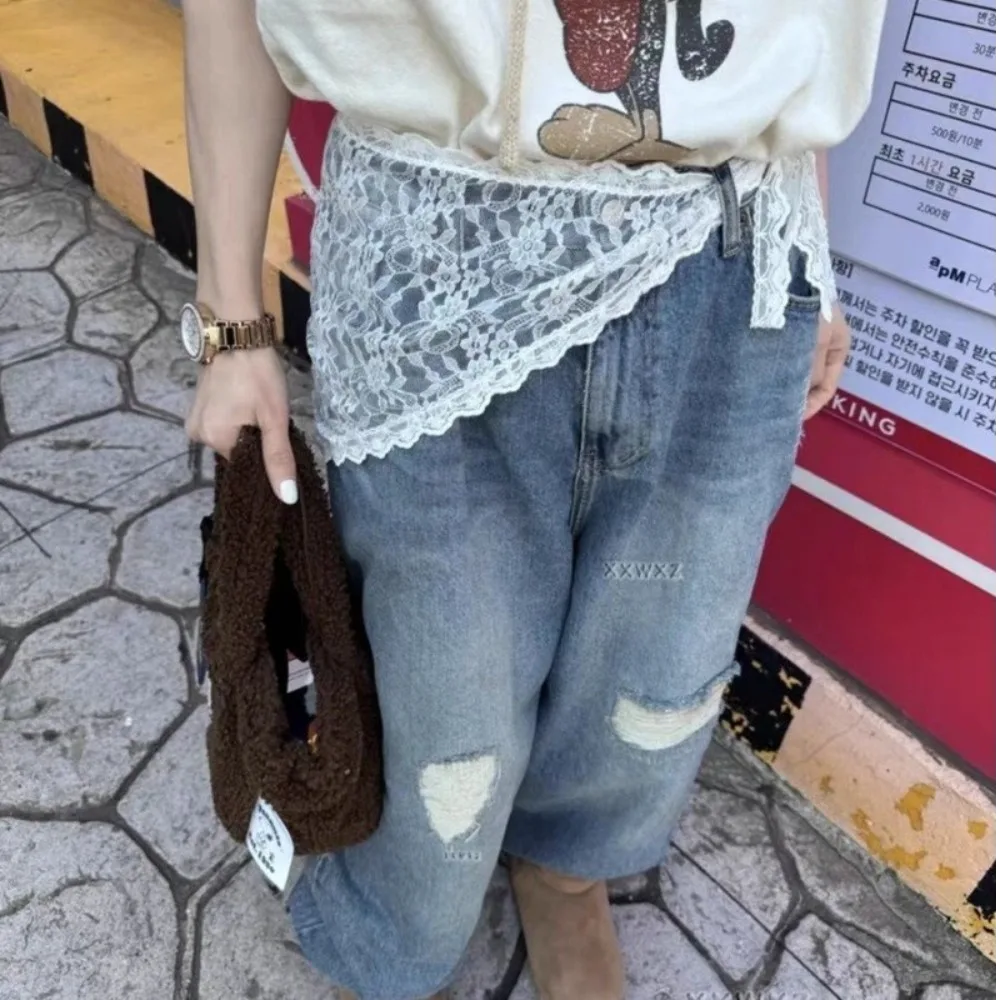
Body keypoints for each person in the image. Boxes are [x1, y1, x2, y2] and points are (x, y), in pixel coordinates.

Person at [181, 2, 887, 998]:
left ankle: (563, 867)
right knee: (444, 700)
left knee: (656, 667)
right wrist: (231, 326)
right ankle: (399, 921)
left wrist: (813, 243)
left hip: (735, 253)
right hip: (441, 251)